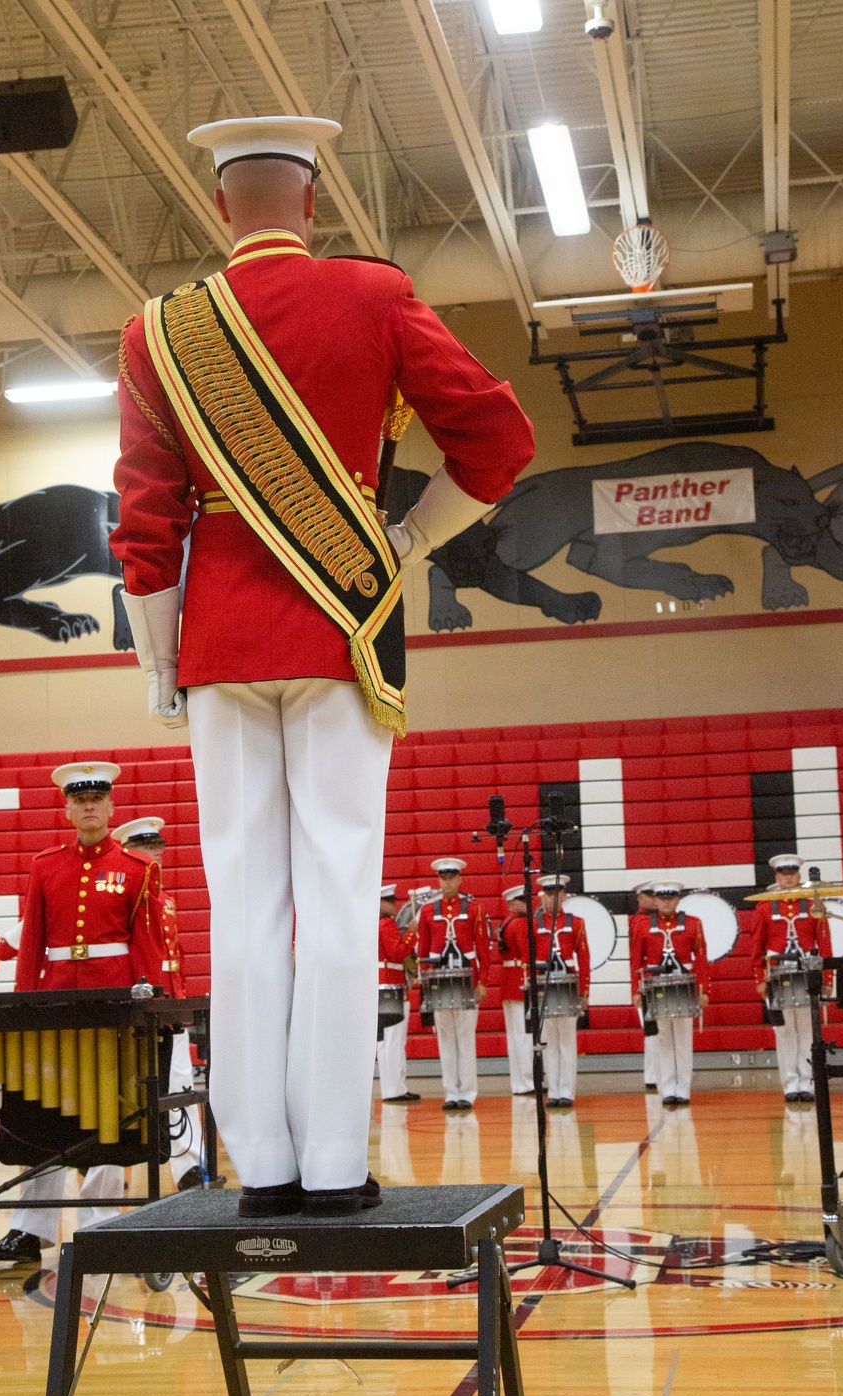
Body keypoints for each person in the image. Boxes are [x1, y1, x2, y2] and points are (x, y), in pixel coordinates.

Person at [110, 115, 534, 1216]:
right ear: (310, 203)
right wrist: (403, 540)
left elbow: (146, 518)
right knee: (340, 899)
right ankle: (339, 1163)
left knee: (242, 904)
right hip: (344, 631)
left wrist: (162, 667)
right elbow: (499, 440)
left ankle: (263, 1166)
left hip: (214, 642)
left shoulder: (157, 330)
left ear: (219, 209)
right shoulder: (375, 295)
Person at [0, 762, 166, 1264]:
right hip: (56, 1002)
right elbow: (32, 941)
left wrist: (150, 999)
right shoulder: (45, 866)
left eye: (97, 799)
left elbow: (146, 944)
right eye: (79, 800)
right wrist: (25, 1002)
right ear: (67, 809)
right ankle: (30, 1229)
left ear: (110, 808)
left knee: (109, 1115)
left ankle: (100, 1224)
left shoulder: (137, 869)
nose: (88, 806)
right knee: (43, 1113)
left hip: (114, 1005)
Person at [113, 815, 207, 1186]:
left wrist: (179, 999)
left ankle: (188, 1166)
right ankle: (111, 1165)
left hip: (169, 1001)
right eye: (145, 850)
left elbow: (175, 956)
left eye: (157, 849)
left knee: (181, 1081)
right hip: (139, 1000)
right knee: (125, 1086)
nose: (154, 857)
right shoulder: (126, 898)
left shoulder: (166, 900)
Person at [750, 854, 831, 1105]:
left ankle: (807, 1082)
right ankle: (790, 1084)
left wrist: (826, 976)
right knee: (783, 1030)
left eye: (792, 874)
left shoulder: (813, 904)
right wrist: (759, 977)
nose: (788, 878)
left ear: (799, 876)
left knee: (807, 1028)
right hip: (778, 974)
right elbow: (756, 946)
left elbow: (824, 942)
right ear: (776, 877)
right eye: (783, 874)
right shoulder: (764, 907)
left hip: (807, 970)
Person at [416, 857, 490, 1111]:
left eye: (452, 878)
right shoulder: (427, 911)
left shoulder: (474, 909)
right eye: (443, 878)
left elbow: (483, 951)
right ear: (438, 880)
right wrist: (424, 984)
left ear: (459, 879)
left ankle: (467, 1093)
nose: (447, 883)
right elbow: (423, 951)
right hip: (439, 982)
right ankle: (451, 1092)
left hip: (467, 981)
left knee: (465, 1038)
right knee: (445, 1039)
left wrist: (483, 982)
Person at [630, 879, 708, 1108]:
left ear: (678, 899)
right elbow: (636, 959)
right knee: (662, 1040)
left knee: (683, 1040)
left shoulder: (693, 923)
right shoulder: (642, 924)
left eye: (671, 898)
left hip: (684, 988)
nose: (666, 903)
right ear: (655, 900)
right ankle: (667, 1089)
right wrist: (636, 990)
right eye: (662, 898)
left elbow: (701, 958)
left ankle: (682, 1089)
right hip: (656, 989)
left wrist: (703, 990)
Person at [530, 875, 590, 1109]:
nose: (553, 898)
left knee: (566, 1042)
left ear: (564, 895)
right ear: (542, 896)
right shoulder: (534, 924)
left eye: (557, 894)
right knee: (548, 1043)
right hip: (544, 987)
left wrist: (584, 991)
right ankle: (553, 1091)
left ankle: (567, 1091)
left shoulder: (576, 923)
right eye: (549, 894)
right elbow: (529, 957)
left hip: (567, 987)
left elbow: (584, 959)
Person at [377, 885, 420, 1104]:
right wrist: (412, 932)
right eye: (390, 901)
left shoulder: (376, 924)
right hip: (391, 987)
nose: (394, 905)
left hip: (381, 985)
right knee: (393, 1041)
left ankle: (392, 1087)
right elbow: (396, 953)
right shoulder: (386, 925)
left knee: (386, 1042)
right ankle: (394, 1089)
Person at [498, 885, 535, 1096]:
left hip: (508, 983)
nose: (527, 903)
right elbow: (528, 953)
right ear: (512, 903)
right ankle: (527, 1082)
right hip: (521, 983)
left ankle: (519, 1082)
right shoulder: (520, 923)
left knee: (515, 1037)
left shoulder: (506, 922)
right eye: (522, 900)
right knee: (524, 1036)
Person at [630, 881, 660, 1092]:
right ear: (640, 898)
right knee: (652, 1029)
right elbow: (636, 958)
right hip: (648, 981)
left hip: (660, 980)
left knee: (660, 1030)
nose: (653, 899)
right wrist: (636, 988)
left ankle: (657, 1073)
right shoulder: (639, 921)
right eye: (649, 895)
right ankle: (652, 1074)